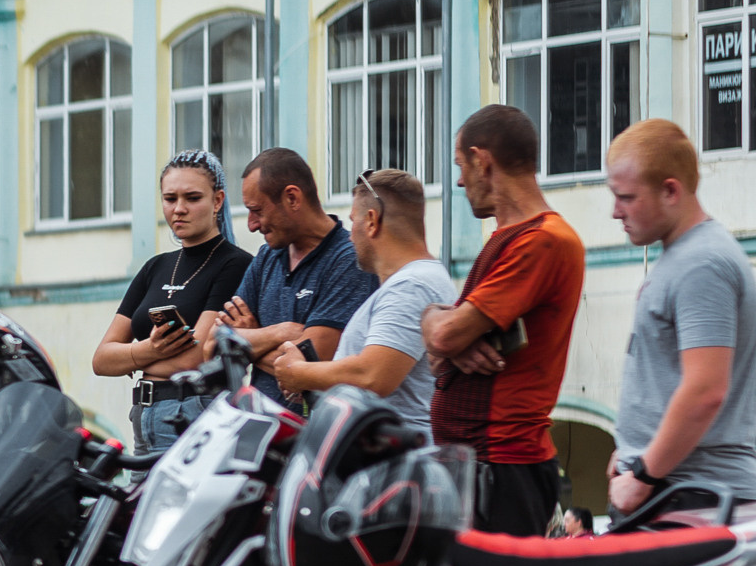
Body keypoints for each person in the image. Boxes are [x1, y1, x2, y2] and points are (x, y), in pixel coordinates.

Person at [421, 104, 587, 537]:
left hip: (504, 466)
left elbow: (443, 337)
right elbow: (441, 339)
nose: (459, 181)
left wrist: (446, 332)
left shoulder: (543, 241)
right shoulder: (508, 239)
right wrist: (438, 323)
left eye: (461, 166)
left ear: (482, 161)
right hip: (477, 465)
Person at [603, 119, 756, 520]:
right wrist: (630, 449)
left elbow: (706, 390)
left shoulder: (701, 264)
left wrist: (643, 474)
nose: (615, 211)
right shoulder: (686, 256)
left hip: (688, 497)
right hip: (677, 491)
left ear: (671, 190)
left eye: (626, 197)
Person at [265, 169, 453, 436]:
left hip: (393, 465)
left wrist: (298, 373)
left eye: (353, 221)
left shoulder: (411, 285)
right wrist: (314, 377)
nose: (350, 236)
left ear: (372, 221)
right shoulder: (411, 281)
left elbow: (373, 375)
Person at [95, 152, 253, 450]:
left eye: (192, 198)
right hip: (144, 416)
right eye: (170, 199)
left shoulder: (235, 264)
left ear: (218, 201)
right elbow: (102, 359)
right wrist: (150, 349)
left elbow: (196, 359)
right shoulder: (156, 266)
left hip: (195, 413)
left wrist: (130, 356)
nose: (179, 209)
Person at [209, 148, 375, 409]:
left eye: (257, 210)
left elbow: (313, 365)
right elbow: (212, 345)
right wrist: (279, 332)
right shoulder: (266, 258)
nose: (251, 224)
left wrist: (247, 341)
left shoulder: (349, 261)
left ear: (292, 198)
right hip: (259, 434)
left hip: (313, 441)